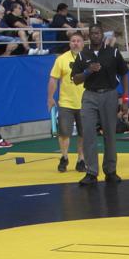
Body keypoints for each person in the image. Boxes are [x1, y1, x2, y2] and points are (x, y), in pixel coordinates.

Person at [71, 23, 129, 185]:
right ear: (88, 36)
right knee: (88, 133)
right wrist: (88, 71)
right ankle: (91, 172)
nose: (95, 35)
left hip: (109, 94)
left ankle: (110, 171)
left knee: (109, 134)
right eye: (92, 33)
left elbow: (124, 74)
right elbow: (75, 79)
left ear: (102, 35)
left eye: (98, 33)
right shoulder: (83, 54)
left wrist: (125, 99)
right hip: (90, 95)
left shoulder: (113, 52)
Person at [48, 31, 86, 173]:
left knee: (84, 133)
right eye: (73, 41)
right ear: (69, 44)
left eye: (78, 41)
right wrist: (50, 97)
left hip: (85, 103)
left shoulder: (89, 59)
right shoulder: (61, 59)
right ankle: (64, 157)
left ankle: (81, 160)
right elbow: (53, 79)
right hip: (66, 103)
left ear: (83, 43)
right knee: (64, 133)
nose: (75, 43)